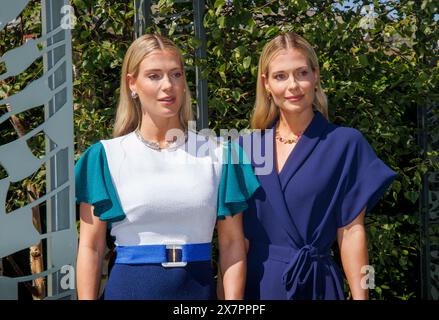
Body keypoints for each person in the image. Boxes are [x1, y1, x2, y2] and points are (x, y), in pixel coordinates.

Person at [74, 34, 259, 300]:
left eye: (176, 75)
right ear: (132, 84)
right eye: (154, 76)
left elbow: (232, 245)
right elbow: (91, 247)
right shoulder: (104, 156)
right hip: (128, 291)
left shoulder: (221, 154)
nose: (168, 86)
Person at [241, 32, 397, 300]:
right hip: (258, 285)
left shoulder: (345, 144)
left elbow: (351, 232)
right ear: (266, 84)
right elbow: (236, 241)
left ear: (315, 76)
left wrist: (362, 297)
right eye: (280, 76)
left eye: (301, 73)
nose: (293, 85)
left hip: (318, 287)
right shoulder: (246, 149)